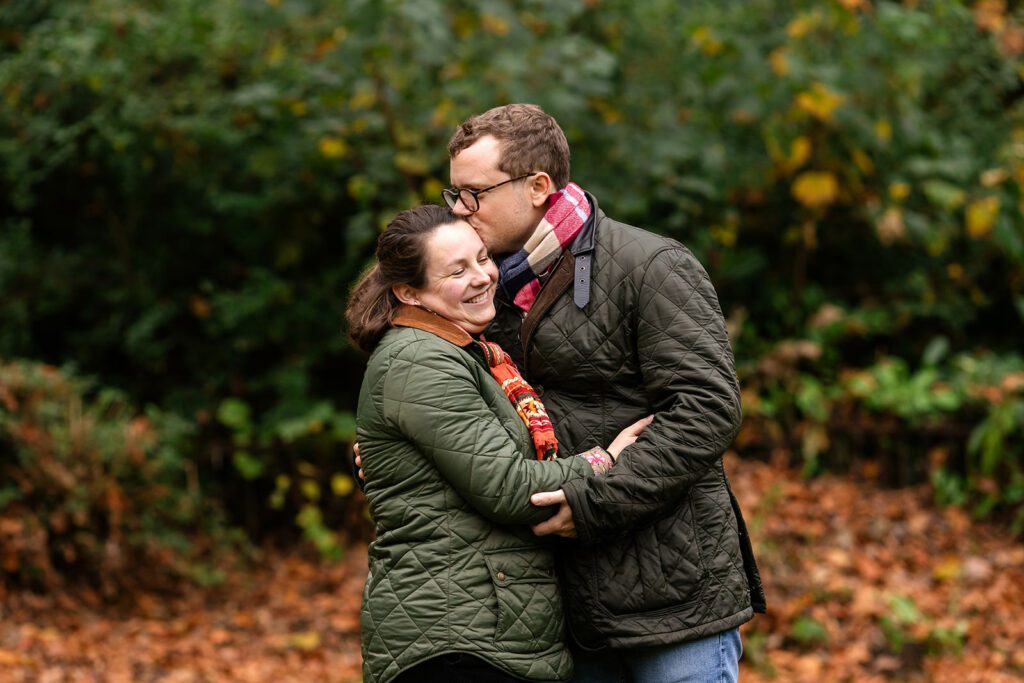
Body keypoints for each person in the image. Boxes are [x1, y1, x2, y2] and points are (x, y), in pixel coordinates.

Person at [440, 103, 767, 683]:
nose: (461, 211)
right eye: (455, 195)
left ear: (538, 186)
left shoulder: (651, 266)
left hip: (675, 597)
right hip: (563, 607)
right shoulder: (478, 291)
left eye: (474, 194)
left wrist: (594, 503)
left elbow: (706, 411)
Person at [345, 204, 650, 683]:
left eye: (483, 258)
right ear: (409, 292)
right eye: (457, 270)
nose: (483, 277)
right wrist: (605, 460)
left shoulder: (468, 353)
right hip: (452, 636)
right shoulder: (421, 360)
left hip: (488, 626)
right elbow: (510, 486)